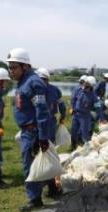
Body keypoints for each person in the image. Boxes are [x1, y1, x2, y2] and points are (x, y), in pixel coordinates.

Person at [7, 48, 50, 212]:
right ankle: (51, 189)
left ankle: (35, 199)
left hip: (33, 132)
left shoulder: (34, 83)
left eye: (14, 67)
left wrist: (42, 137)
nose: (11, 71)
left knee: (29, 165)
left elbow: (42, 111)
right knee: (38, 163)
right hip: (27, 130)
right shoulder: (23, 81)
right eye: (10, 68)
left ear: (25, 66)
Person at [37, 67, 66, 198]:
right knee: (50, 149)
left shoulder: (36, 89)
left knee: (42, 150)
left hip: (40, 123)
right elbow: (62, 106)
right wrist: (63, 117)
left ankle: (44, 180)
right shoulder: (55, 89)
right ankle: (49, 181)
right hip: (51, 122)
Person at [71, 76, 103, 149]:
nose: (85, 86)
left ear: (91, 86)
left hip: (84, 116)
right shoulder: (78, 90)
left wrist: (101, 118)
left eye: (87, 85)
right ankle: (73, 147)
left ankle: (87, 147)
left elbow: (98, 107)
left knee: (84, 133)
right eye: (85, 84)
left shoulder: (93, 96)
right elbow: (73, 99)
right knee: (74, 132)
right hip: (76, 115)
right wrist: (72, 107)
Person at [36, 67, 66, 143]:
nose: (43, 81)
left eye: (44, 79)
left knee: (49, 142)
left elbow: (61, 105)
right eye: (41, 79)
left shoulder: (55, 90)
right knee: (36, 141)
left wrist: (62, 117)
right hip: (36, 120)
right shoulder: (33, 89)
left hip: (50, 120)